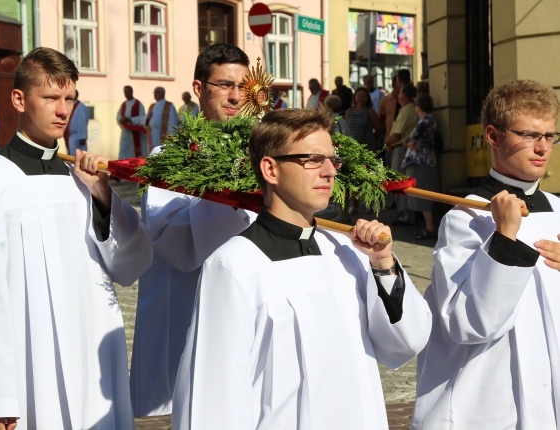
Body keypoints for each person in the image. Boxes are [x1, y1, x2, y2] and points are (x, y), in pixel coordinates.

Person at [173, 107, 432, 429]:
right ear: (270, 168)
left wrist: (382, 264)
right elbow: (212, 399)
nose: (329, 172)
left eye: (332, 160)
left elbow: (406, 343)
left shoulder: (345, 253)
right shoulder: (234, 265)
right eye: (312, 159)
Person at [0, 47, 153, 430]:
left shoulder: (84, 180)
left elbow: (132, 264)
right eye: (51, 98)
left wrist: (105, 200)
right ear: (19, 99)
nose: (63, 111)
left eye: (70, 99)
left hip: (92, 362)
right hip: (28, 361)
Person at [412, 79, 560, 429]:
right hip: (489, 403)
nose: (542, 148)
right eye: (528, 135)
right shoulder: (465, 218)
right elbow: (468, 323)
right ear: (492, 136)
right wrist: (505, 238)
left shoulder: (557, 209)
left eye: (550, 136)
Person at [129, 42, 257, 418]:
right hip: (189, 311)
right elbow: (175, 245)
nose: (235, 97)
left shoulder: (260, 157)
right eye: (224, 85)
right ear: (199, 89)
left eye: (243, 86)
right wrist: (232, 201)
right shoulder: (167, 160)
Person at [336, 86, 384, 221]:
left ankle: (371, 203)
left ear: (367, 98)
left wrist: (373, 141)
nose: (361, 98)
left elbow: (379, 128)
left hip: (367, 150)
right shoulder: (349, 112)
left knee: (368, 179)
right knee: (353, 180)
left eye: (363, 95)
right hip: (353, 151)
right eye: (359, 95)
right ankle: (354, 205)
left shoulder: (370, 112)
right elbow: (345, 128)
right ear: (355, 98)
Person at [402, 94, 438, 239]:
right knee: (421, 194)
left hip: (421, 162)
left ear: (418, 107)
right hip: (423, 161)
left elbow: (415, 144)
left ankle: (430, 227)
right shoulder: (427, 120)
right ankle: (427, 227)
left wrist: (407, 143)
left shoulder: (426, 121)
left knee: (423, 194)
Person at [385, 84, 418, 225]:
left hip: (400, 149)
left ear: (404, 96)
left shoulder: (406, 111)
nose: (398, 96)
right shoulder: (411, 110)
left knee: (399, 183)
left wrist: (386, 142)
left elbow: (397, 134)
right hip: (403, 148)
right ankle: (406, 213)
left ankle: (404, 215)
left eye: (400, 94)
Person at [117, 85, 147, 158]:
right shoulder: (123, 105)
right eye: (125, 92)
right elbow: (118, 116)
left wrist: (130, 119)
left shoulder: (138, 104)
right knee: (123, 153)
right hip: (126, 132)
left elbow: (143, 118)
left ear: (132, 92)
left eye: (128, 92)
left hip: (135, 133)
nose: (126, 94)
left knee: (136, 154)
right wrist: (120, 119)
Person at [64, 89, 89, 155]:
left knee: (79, 157)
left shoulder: (80, 107)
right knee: (71, 157)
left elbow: (82, 122)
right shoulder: (71, 106)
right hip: (71, 136)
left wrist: (83, 137)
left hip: (78, 137)